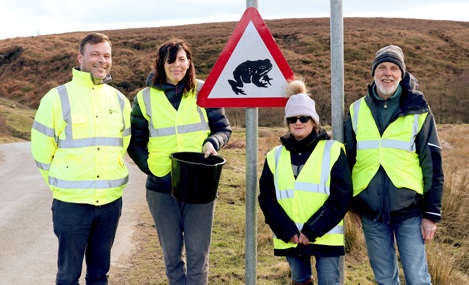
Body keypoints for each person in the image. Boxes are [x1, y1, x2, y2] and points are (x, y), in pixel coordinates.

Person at [127, 38, 232, 285]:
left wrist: (213, 142)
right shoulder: (144, 98)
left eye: (182, 59)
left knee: (198, 254)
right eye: (171, 60)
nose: (177, 65)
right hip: (161, 187)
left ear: (189, 62)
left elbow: (223, 129)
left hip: (200, 185)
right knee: (171, 255)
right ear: (161, 64)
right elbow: (135, 142)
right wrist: (149, 167)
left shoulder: (204, 91)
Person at [30, 32, 131, 285]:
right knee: (68, 276)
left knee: (99, 275)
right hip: (72, 204)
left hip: (109, 203)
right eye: (95, 54)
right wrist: (58, 184)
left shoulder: (119, 100)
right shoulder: (57, 98)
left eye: (106, 55)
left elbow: (122, 144)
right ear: (80, 57)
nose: (102, 60)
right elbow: (42, 150)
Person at [344, 45, 444, 285]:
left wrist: (431, 214)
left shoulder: (419, 111)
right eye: (381, 68)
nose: (387, 73)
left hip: (409, 210)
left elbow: (433, 165)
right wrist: (352, 203)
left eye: (393, 68)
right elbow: (347, 160)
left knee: (418, 279)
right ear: (373, 73)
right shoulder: (356, 110)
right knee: (385, 280)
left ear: (401, 75)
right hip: (370, 212)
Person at [258, 80, 353, 285]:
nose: (298, 122)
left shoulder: (334, 150)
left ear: (314, 121)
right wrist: (288, 231)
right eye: (292, 119)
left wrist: (311, 231)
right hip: (289, 237)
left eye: (304, 118)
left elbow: (342, 196)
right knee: (300, 281)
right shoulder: (274, 156)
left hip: (325, 236)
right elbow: (267, 198)